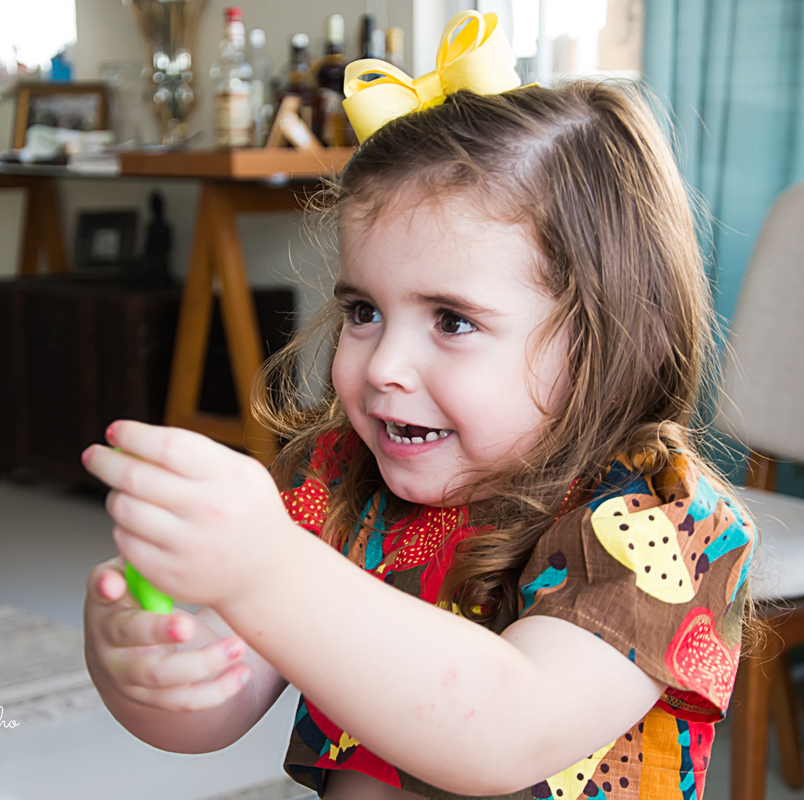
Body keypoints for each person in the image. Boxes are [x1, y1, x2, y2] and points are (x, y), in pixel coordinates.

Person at [81, 12, 756, 800]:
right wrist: (150, 659)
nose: (385, 366)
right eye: (363, 311)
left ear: (605, 337)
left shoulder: (668, 525)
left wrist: (264, 568)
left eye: (452, 320)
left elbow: (507, 734)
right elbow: (210, 715)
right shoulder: (340, 482)